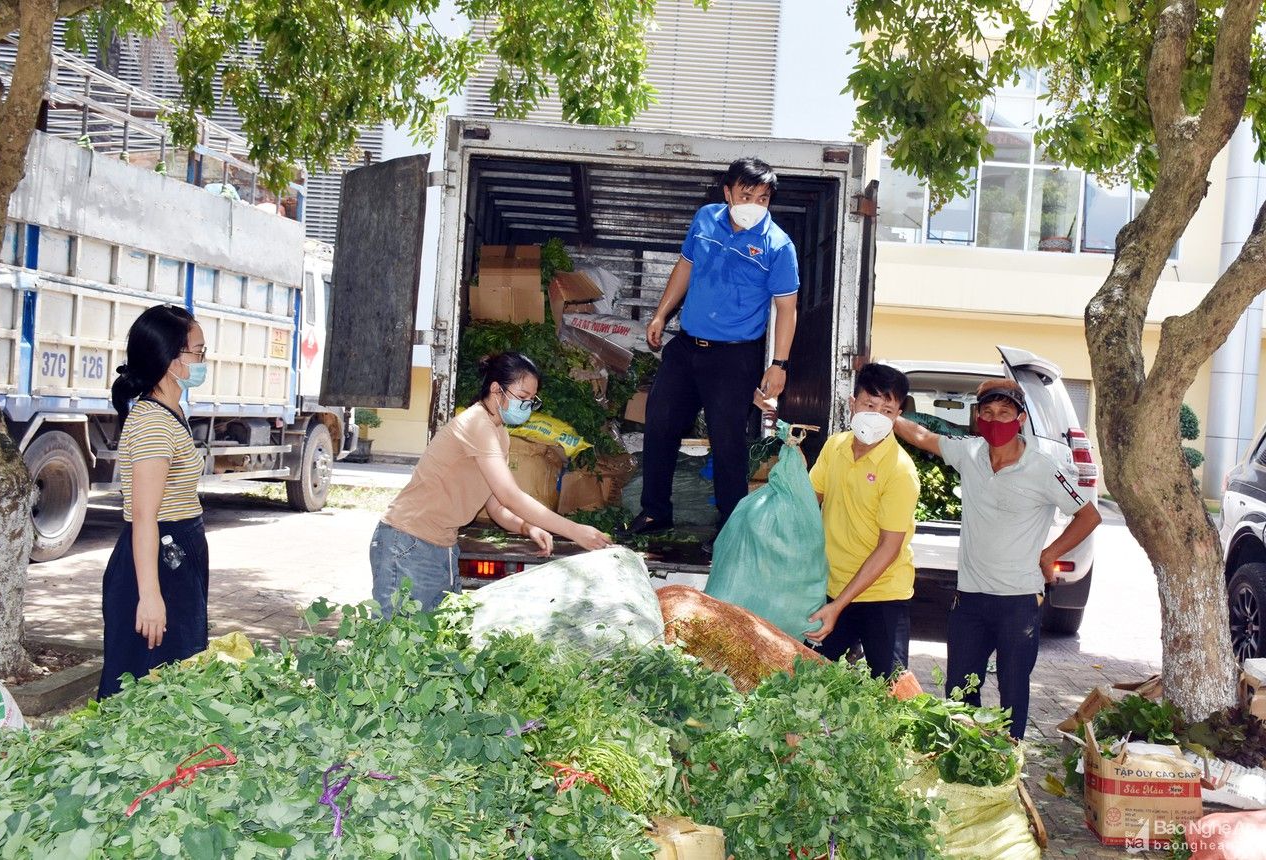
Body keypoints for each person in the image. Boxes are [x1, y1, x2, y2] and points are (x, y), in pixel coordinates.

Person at [895, 378, 1102, 739]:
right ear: (978, 418)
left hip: (1018, 602)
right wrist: (884, 415)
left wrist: (1050, 553)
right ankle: (965, 755)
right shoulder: (969, 453)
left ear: (1020, 418)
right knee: (959, 691)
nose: (995, 420)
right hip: (970, 600)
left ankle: (1010, 758)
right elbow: (922, 437)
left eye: (1005, 413)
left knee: (1013, 691)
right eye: (987, 413)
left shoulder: (1043, 467)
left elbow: (1089, 516)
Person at [622, 157, 800, 550]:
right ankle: (655, 512)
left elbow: (787, 307)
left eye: (763, 198)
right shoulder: (705, 219)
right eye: (746, 194)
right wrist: (660, 313)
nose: (754, 203)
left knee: (728, 441)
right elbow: (684, 266)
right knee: (660, 424)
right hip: (686, 347)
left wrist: (779, 364)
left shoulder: (778, 246)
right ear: (728, 193)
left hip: (734, 358)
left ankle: (730, 527)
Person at [372, 352, 613, 617]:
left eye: (532, 401)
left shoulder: (498, 434)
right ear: (497, 389)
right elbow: (510, 495)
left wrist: (527, 526)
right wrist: (574, 530)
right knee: (398, 641)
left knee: (432, 646)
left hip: (441, 547)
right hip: (409, 543)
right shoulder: (477, 424)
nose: (527, 406)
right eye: (522, 398)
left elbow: (497, 507)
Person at [98, 305, 210, 698]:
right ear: (172, 360)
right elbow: (145, 517)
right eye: (198, 351)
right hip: (157, 560)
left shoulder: (172, 409)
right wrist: (150, 597)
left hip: (178, 553)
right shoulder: (152, 422)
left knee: (178, 680)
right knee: (145, 688)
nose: (202, 360)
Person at [803, 364, 920, 680]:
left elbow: (888, 548)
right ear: (852, 402)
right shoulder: (835, 446)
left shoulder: (900, 471)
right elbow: (807, 500)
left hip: (883, 595)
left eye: (888, 410)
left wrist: (838, 604)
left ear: (897, 416)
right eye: (870, 405)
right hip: (834, 586)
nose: (877, 416)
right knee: (810, 680)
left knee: (891, 690)